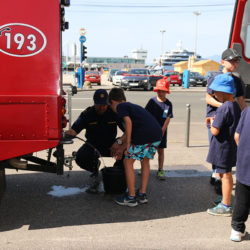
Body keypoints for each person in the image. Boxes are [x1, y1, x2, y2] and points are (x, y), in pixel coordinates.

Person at [108, 87, 162, 207]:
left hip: (144, 135)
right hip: (156, 135)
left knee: (127, 161)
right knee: (145, 161)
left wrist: (126, 147)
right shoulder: (132, 106)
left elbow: (128, 123)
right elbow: (130, 131)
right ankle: (142, 194)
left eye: (111, 106)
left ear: (112, 101)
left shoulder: (120, 107)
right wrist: (122, 143)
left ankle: (131, 197)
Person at [66, 89, 125, 193]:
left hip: (110, 144)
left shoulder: (114, 112)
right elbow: (74, 130)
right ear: (94, 102)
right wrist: (67, 133)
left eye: (104, 104)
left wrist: (119, 143)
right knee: (80, 157)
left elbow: (127, 131)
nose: (102, 107)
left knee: (126, 153)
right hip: (92, 145)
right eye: (99, 105)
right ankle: (94, 169)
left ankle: (116, 172)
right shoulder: (87, 113)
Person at [206, 48, 246, 195]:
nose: (235, 63)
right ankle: (216, 176)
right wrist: (225, 107)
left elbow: (241, 100)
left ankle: (220, 177)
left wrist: (245, 115)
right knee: (216, 148)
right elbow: (208, 98)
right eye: (232, 60)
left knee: (225, 149)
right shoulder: (214, 78)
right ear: (223, 62)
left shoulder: (237, 80)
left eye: (236, 61)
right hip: (215, 119)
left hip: (229, 120)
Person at [206, 73, 241, 216]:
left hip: (222, 147)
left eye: (216, 92)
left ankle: (226, 205)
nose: (214, 95)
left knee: (224, 175)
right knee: (223, 173)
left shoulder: (224, 108)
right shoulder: (235, 106)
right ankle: (225, 198)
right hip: (229, 145)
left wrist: (212, 122)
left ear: (224, 92)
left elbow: (214, 131)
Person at [145, 78, 173, 180]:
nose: (160, 93)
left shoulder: (168, 104)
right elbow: (146, 114)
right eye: (159, 91)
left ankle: (160, 169)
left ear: (166, 91)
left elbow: (167, 118)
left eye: (162, 91)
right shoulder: (152, 101)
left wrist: (162, 130)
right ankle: (144, 167)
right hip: (150, 130)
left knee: (160, 151)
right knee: (147, 150)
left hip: (161, 131)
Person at [230, 107, 250, 242]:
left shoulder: (247, 111)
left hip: (245, 163)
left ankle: (236, 230)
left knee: (241, 199)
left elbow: (237, 136)